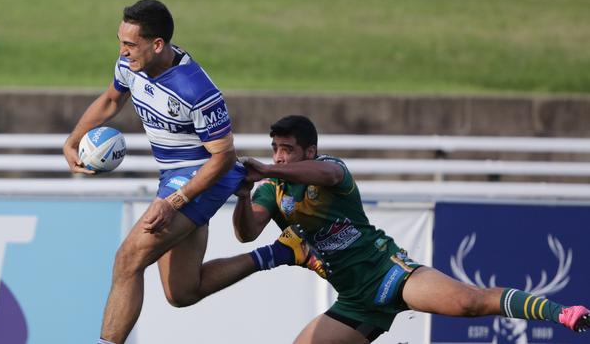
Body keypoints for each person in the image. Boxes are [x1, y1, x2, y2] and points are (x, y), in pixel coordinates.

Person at [213, 115, 590, 343]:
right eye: (275, 148)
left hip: (391, 273)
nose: (278, 156)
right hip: (355, 301)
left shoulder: (329, 168)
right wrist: (244, 196)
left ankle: (561, 312)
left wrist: (268, 168)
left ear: (310, 151)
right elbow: (246, 233)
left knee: (469, 303)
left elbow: (326, 173)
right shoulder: (271, 190)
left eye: (287, 149)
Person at [62, 0, 246, 344]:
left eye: (130, 44)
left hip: (201, 175)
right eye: (121, 41)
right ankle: (280, 253)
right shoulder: (130, 65)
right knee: (182, 292)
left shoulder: (197, 91)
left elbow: (222, 158)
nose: (123, 51)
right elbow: (112, 99)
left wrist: (174, 200)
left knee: (128, 259)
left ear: (157, 44)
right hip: (173, 177)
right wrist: (73, 139)